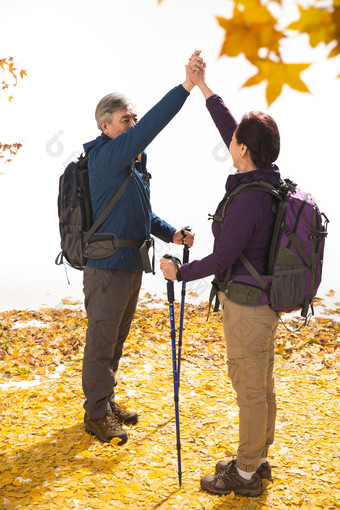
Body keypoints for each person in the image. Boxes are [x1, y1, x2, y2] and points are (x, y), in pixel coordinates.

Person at [160, 52, 280, 497]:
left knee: (249, 389)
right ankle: (258, 457)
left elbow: (222, 258)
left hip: (247, 306)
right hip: (264, 302)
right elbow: (231, 126)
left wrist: (179, 271)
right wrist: (203, 86)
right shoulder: (267, 179)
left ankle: (245, 473)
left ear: (243, 150)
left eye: (236, 141)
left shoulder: (248, 199)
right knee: (261, 383)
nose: (230, 141)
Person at [82, 54, 196, 446]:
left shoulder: (132, 163)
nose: (133, 124)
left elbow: (141, 213)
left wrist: (172, 234)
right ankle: (95, 415)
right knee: (101, 341)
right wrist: (186, 87)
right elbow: (151, 126)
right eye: (126, 120)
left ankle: (105, 400)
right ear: (106, 125)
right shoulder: (105, 155)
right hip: (107, 267)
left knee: (115, 341)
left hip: (130, 265)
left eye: (133, 118)